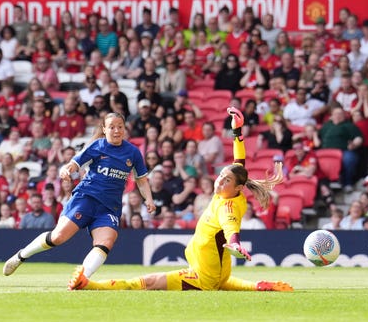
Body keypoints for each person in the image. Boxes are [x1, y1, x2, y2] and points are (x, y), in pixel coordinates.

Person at [67, 107, 293, 292]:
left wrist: (234, 243)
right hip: (217, 274)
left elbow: (230, 226)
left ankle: (90, 284)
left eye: (225, 181)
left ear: (238, 187)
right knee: (215, 282)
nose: (219, 182)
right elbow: (239, 162)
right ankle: (260, 286)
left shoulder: (228, 206)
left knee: (148, 282)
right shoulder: (234, 190)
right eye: (221, 176)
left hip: (201, 277)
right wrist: (237, 132)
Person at [2, 112, 155, 282]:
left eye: (120, 127)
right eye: (112, 127)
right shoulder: (97, 146)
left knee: (106, 242)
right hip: (86, 198)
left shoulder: (132, 152)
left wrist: (148, 198)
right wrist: (66, 170)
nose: (117, 130)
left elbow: (141, 180)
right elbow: (74, 163)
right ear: (104, 129)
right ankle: (21, 256)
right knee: (57, 237)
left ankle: (81, 279)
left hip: (109, 207)